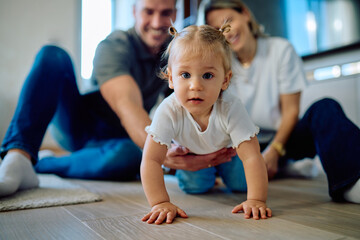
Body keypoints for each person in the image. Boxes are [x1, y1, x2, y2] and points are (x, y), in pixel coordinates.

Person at [0, 0, 234, 198]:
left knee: (130, 156)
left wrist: (198, 149)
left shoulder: (176, 54)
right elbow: (127, 105)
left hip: (123, 139)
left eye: (165, 13)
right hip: (81, 128)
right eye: (148, 12)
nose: (156, 22)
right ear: (134, 12)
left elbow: (185, 108)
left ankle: (47, 162)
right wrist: (163, 154)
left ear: (175, 14)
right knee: (52, 55)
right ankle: (21, 157)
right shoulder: (115, 46)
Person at [201, 0, 360, 203]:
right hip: (243, 145)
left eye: (229, 21)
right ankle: (288, 167)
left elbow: (291, 112)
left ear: (245, 14)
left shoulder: (281, 50)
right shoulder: (219, 66)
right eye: (218, 29)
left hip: (282, 140)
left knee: (326, 108)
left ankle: (350, 183)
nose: (227, 32)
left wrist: (274, 151)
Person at [141, 23, 272, 225]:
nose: (196, 86)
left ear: (225, 80)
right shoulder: (168, 110)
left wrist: (256, 199)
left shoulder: (231, 107)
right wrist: (160, 202)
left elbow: (252, 156)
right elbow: (151, 160)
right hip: (192, 156)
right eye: (185, 75)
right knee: (196, 187)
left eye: (208, 75)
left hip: (229, 154)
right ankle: (208, 176)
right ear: (171, 79)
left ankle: (225, 174)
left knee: (241, 184)